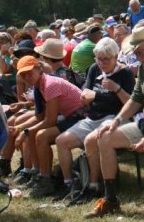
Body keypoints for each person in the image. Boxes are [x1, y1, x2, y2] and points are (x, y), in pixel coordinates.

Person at [84, 27, 144, 218]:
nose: (137, 56)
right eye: (134, 53)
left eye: (139, 52)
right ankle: (110, 199)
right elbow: (136, 98)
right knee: (105, 137)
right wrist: (117, 120)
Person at [53, 37, 134, 201]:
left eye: (106, 59)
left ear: (116, 57)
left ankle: (93, 185)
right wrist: (85, 95)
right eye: (99, 59)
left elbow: (130, 104)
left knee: (91, 140)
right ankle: (69, 183)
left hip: (116, 117)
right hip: (93, 116)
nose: (102, 63)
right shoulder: (94, 69)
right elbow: (85, 91)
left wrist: (114, 89)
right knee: (62, 141)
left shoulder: (125, 73)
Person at [9, 56, 85, 197]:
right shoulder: (39, 86)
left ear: (39, 68)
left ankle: (46, 180)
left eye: (29, 72)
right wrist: (20, 128)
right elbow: (39, 117)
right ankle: (37, 172)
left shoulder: (50, 84)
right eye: (23, 74)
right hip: (70, 116)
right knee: (32, 133)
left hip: (81, 117)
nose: (27, 76)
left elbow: (49, 121)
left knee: (41, 135)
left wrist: (24, 131)